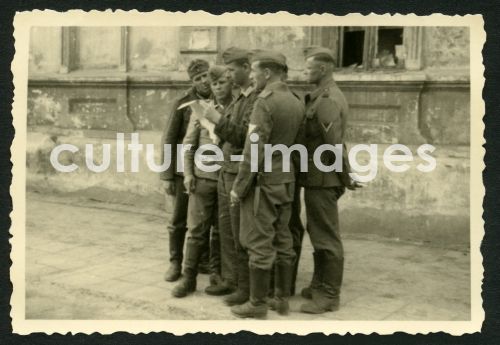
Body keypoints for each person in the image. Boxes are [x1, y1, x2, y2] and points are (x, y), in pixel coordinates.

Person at [229, 50, 305, 318]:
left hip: (265, 182)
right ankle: (281, 299)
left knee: (259, 241)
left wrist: (238, 188)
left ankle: (257, 304)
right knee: (283, 238)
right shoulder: (296, 101)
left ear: (267, 73)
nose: (252, 76)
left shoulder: (265, 102)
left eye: (255, 71)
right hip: (287, 179)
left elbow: (253, 149)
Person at [299, 46, 360, 314]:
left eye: (307, 67)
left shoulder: (327, 99)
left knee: (326, 237)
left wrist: (346, 177)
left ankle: (329, 296)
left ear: (322, 69)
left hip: (323, 178)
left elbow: (333, 145)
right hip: (317, 176)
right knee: (317, 232)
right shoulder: (321, 96)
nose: (304, 72)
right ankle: (319, 285)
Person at [201, 47, 259, 306]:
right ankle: (228, 278)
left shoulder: (255, 98)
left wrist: (217, 119)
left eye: (233, 70)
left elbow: (245, 136)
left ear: (247, 68)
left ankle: (241, 285)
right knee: (225, 228)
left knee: (239, 232)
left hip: (239, 171)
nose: (230, 74)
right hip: (226, 168)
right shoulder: (239, 97)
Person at [172, 65, 235, 298]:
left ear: (231, 83)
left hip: (227, 179)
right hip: (203, 178)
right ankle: (188, 278)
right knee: (196, 230)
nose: (217, 87)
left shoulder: (239, 110)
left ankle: (217, 275)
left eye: (222, 83)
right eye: (214, 83)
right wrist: (188, 174)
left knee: (221, 231)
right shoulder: (202, 110)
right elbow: (188, 145)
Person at [160, 59, 212, 282]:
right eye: (198, 79)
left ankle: (202, 260)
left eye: (206, 76)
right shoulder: (183, 103)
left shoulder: (219, 99)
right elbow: (169, 139)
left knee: (203, 219)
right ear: (192, 81)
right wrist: (167, 175)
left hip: (208, 171)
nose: (203, 82)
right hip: (183, 171)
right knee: (178, 219)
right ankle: (175, 263)